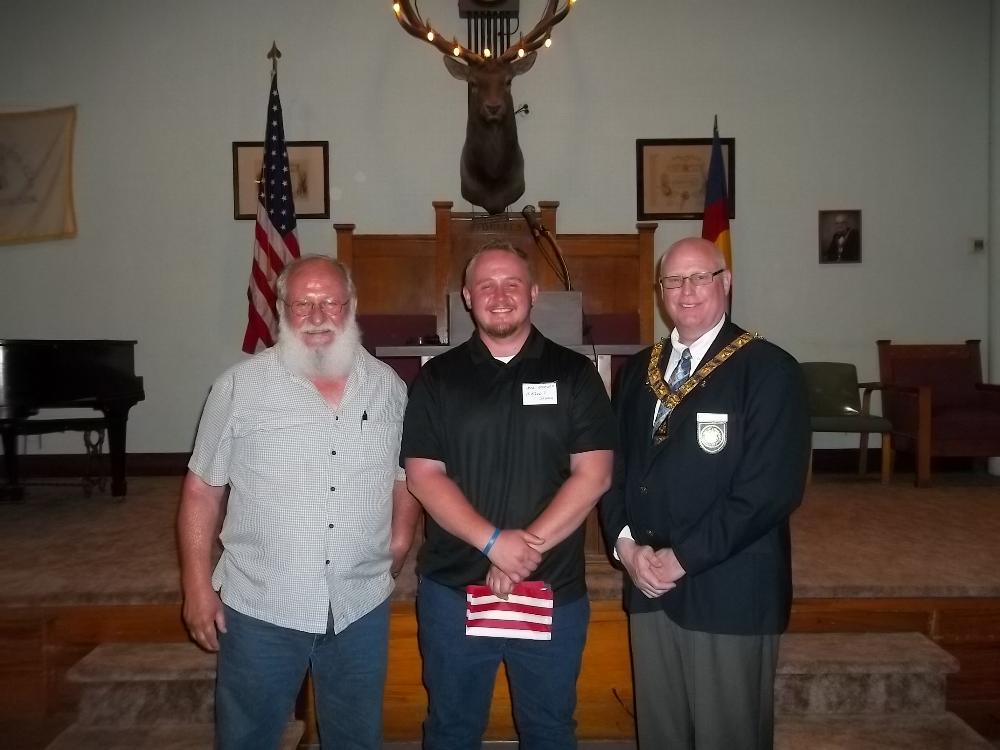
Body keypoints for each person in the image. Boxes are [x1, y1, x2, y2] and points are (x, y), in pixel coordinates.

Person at [176, 255, 421, 750]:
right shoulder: (238, 388)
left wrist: (400, 539)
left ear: (352, 306)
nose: (317, 316)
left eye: (330, 302)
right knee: (247, 739)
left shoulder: (390, 389)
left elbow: (405, 476)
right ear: (281, 310)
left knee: (356, 740)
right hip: (262, 604)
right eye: (302, 304)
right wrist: (196, 586)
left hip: (358, 605)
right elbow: (202, 490)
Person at [401, 241, 615, 750]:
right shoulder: (437, 379)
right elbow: (423, 476)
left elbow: (595, 474)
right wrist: (494, 543)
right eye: (486, 286)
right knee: (451, 730)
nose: (500, 296)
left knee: (550, 730)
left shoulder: (575, 373)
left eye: (512, 284)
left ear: (534, 293)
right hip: (455, 593)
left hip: (551, 589)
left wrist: (524, 551)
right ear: (467, 297)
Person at [600, 237, 810, 750]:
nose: (687, 290)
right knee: (662, 735)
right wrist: (625, 545)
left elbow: (770, 490)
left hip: (729, 589)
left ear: (726, 282)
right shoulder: (639, 371)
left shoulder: (768, 369)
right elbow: (615, 468)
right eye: (674, 280)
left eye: (700, 277)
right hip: (648, 584)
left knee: (728, 736)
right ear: (660, 291)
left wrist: (683, 558)